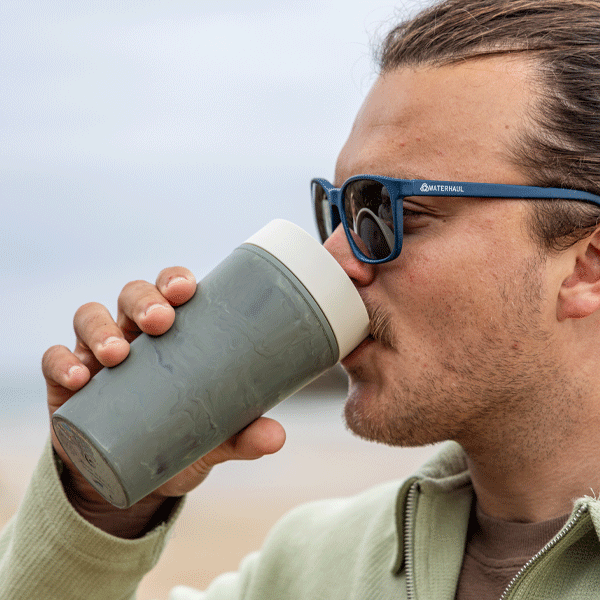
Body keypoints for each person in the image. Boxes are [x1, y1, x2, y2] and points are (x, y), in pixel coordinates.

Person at [2, 0, 600, 597]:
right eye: (337, 211)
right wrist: (98, 499)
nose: (338, 259)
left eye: (395, 213)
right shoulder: (310, 566)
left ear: (585, 267)